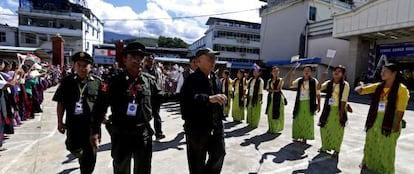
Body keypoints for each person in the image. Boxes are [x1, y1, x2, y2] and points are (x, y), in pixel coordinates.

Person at [91, 42, 155, 174]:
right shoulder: (113, 81)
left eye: (140, 58)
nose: (137, 61)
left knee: (143, 169)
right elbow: (99, 107)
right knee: (121, 169)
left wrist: (189, 96)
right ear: (124, 59)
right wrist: (95, 131)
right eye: (133, 57)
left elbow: (163, 97)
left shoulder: (149, 81)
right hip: (121, 134)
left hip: (142, 133)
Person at [52, 52, 102, 174]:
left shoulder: (98, 82)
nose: (82, 68)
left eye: (85, 65)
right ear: (74, 66)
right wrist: (59, 121)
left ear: (90, 67)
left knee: (90, 158)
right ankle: (81, 157)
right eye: (79, 65)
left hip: (91, 127)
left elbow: (102, 104)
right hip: (73, 125)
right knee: (72, 147)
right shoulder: (67, 82)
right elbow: (61, 103)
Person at [180, 47, 226, 174]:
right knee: (197, 162)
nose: (213, 61)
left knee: (220, 153)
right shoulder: (192, 79)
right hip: (197, 129)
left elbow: (216, 99)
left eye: (214, 58)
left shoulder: (215, 79)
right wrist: (209, 99)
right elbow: (187, 101)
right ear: (198, 62)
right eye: (209, 58)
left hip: (216, 126)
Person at [357, 63, 410, 174]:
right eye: (382, 71)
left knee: (386, 147)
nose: (382, 73)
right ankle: (369, 163)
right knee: (371, 142)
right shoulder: (379, 86)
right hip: (375, 119)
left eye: (385, 71)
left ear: (394, 73)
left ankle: (386, 170)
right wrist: (360, 84)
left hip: (390, 121)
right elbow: (361, 91)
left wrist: (396, 124)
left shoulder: (402, 90)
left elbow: (401, 110)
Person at [317, 65, 350, 157]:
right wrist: (322, 79)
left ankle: (336, 149)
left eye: (339, 71)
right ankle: (324, 147)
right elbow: (318, 88)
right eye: (335, 70)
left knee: (337, 130)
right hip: (328, 109)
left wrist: (341, 113)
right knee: (324, 128)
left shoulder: (345, 85)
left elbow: (344, 99)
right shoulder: (329, 83)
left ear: (342, 74)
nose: (336, 72)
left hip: (338, 110)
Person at [289, 65, 321, 144]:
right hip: (299, 102)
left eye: (308, 70)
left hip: (309, 103)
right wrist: (292, 76)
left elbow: (318, 94)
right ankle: (296, 136)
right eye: (305, 70)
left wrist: (319, 104)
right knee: (297, 119)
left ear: (311, 72)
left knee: (307, 120)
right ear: (303, 72)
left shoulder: (314, 81)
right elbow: (290, 85)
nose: (306, 72)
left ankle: (305, 137)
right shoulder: (300, 80)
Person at [143, 55, 165, 140]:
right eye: (148, 60)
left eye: (151, 60)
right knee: (145, 115)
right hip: (146, 96)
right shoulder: (143, 70)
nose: (150, 61)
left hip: (156, 96)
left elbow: (161, 82)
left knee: (156, 115)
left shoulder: (157, 71)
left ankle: (158, 133)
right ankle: (147, 132)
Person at [265, 66, 285, 134]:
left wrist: (274, 89)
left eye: (277, 71)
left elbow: (279, 89)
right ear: (272, 72)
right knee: (270, 113)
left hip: (278, 98)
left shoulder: (281, 80)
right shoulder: (269, 81)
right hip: (271, 98)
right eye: (274, 71)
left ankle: (276, 128)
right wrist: (273, 90)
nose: (275, 73)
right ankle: (270, 128)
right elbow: (267, 89)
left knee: (278, 113)